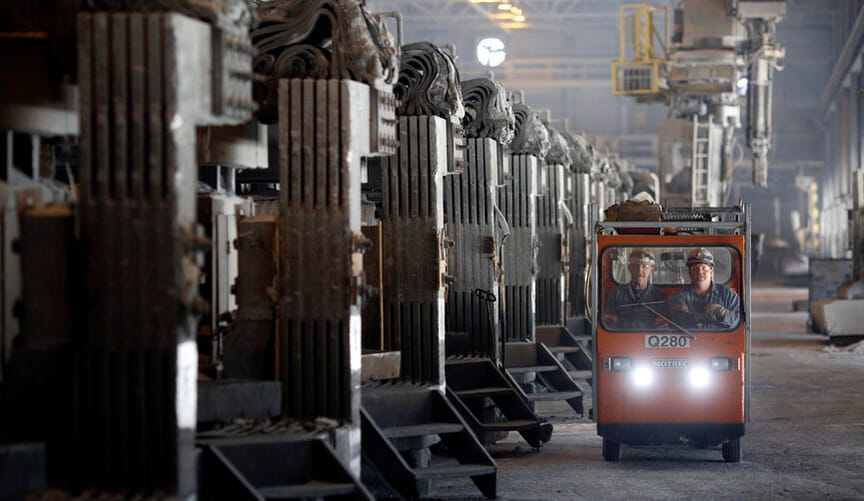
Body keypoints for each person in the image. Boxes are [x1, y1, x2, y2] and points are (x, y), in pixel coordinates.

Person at [670, 247, 740, 328]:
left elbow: (739, 321)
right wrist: (701, 317)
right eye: (695, 268)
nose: (700, 272)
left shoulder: (728, 295)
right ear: (689, 272)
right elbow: (678, 318)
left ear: (711, 271)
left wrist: (723, 313)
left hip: (723, 340)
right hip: (692, 339)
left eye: (704, 268)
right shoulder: (680, 296)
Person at [603, 249, 668, 329]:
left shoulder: (659, 296)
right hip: (622, 339)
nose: (639, 271)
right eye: (636, 266)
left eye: (644, 266)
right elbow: (609, 324)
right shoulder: (617, 294)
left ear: (652, 270)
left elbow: (661, 326)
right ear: (629, 268)